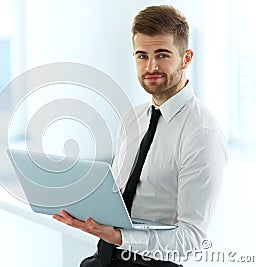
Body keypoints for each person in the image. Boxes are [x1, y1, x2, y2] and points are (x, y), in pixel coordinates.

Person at [53, 5, 228, 267]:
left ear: (186, 58)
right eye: (142, 56)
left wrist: (121, 238)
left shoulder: (202, 134)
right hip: (103, 258)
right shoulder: (132, 119)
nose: (151, 66)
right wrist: (86, 212)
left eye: (162, 55)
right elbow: (118, 198)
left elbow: (190, 240)